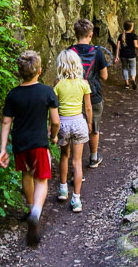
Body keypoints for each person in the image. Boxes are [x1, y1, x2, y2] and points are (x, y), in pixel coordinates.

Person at [0, 51, 60, 246]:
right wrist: (54, 135)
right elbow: (56, 121)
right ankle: (35, 213)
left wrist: (3, 149)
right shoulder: (47, 92)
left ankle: (30, 206)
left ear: (19, 73)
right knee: (41, 180)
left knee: (26, 174)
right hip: (39, 143)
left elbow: (6, 122)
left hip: (20, 144)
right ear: (40, 71)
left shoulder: (13, 94)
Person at [53, 49, 93, 213]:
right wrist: (89, 124)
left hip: (62, 123)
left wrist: (52, 129)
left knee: (64, 156)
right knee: (77, 162)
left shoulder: (58, 85)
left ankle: (63, 190)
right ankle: (76, 199)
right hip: (78, 122)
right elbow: (88, 108)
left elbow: (53, 108)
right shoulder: (83, 84)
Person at [69, 19, 108, 168]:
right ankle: (93, 157)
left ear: (75, 34)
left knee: (75, 127)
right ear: (91, 35)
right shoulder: (97, 52)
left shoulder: (69, 52)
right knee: (94, 125)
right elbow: (104, 76)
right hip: (94, 93)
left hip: (74, 94)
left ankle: (75, 163)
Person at [115, 20, 138, 90]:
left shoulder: (121, 36)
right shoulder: (133, 35)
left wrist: (117, 56)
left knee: (125, 68)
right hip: (131, 55)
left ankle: (126, 84)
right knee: (133, 68)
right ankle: (132, 79)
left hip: (123, 55)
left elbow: (118, 47)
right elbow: (135, 45)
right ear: (131, 28)